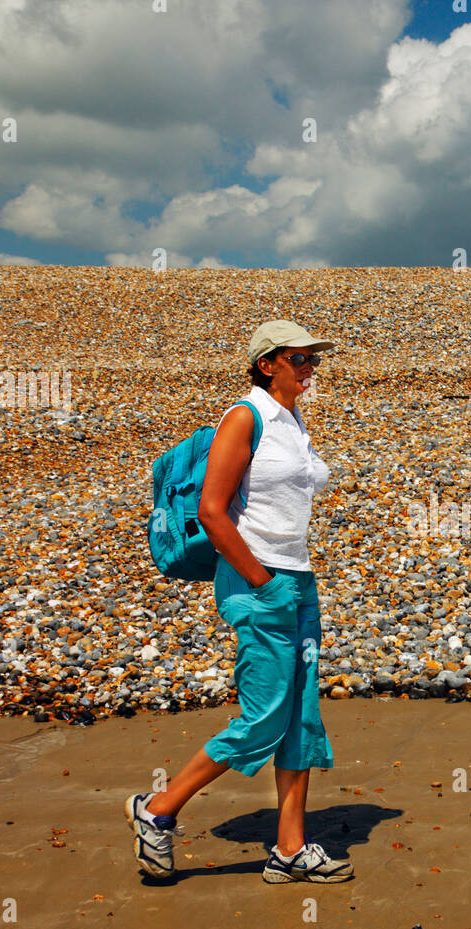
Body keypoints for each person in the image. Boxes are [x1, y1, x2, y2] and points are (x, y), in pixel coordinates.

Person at [124, 320, 351, 884]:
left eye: (312, 360)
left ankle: (291, 850)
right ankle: (157, 810)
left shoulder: (292, 420)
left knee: (300, 713)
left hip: (297, 577)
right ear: (266, 363)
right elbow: (211, 511)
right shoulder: (244, 416)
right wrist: (261, 580)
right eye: (297, 359)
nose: (309, 368)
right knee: (265, 713)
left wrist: (289, 580)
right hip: (257, 580)